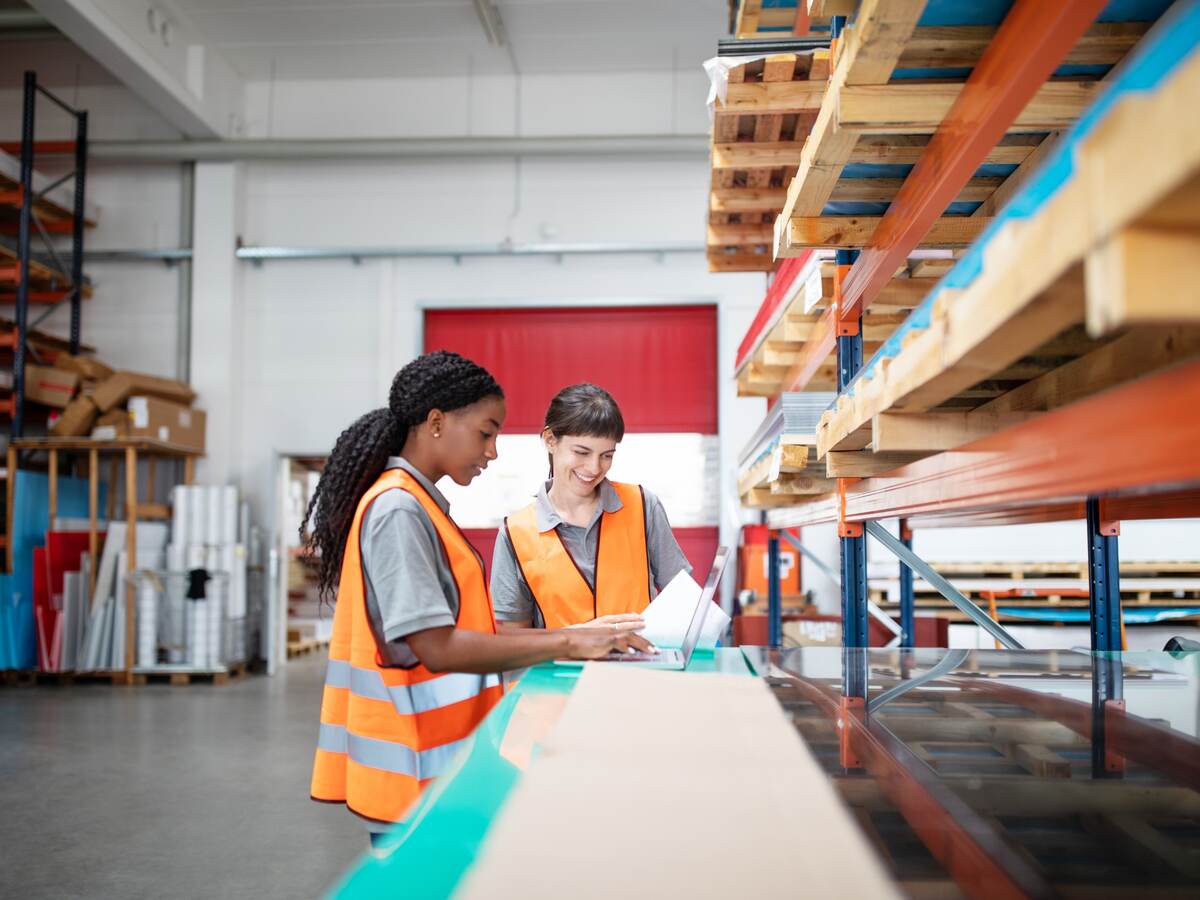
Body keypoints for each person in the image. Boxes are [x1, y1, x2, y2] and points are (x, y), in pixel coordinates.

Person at [305, 353, 650, 831]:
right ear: (437, 422)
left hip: (435, 765)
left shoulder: (417, 504)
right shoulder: (398, 510)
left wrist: (580, 634)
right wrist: (571, 642)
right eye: (486, 433)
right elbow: (437, 646)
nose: (492, 452)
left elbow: (475, 631)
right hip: (411, 772)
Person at [490, 383, 692, 632]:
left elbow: (685, 601)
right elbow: (511, 640)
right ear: (550, 440)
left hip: (640, 668)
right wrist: (577, 637)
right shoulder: (516, 533)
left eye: (607, 455)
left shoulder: (642, 505)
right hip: (557, 671)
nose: (594, 468)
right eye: (582, 452)